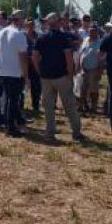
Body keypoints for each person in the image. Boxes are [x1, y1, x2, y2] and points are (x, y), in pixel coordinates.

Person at [33, 12, 83, 141]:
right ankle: (76, 132)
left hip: (46, 77)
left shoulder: (41, 38)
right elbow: (68, 58)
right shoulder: (63, 38)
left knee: (48, 106)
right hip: (61, 76)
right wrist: (70, 74)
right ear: (58, 22)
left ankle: (50, 133)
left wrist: (39, 71)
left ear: (48, 23)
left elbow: (35, 57)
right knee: (69, 105)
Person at [0, 10, 29, 136]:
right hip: (15, 71)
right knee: (13, 100)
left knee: (9, 99)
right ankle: (11, 127)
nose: (24, 21)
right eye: (23, 18)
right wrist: (25, 73)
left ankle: (12, 124)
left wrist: (1, 59)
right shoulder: (19, 34)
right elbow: (23, 56)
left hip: (3, 70)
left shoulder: (3, 31)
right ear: (19, 19)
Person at [79, 24, 104, 114]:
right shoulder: (85, 40)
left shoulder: (100, 43)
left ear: (97, 32)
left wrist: (99, 71)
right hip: (84, 69)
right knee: (83, 89)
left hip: (94, 69)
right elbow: (82, 53)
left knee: (94, 89)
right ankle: (82, 106)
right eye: (90, 31)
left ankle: (94, 107)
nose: (91, 33)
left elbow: (102, 58)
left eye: (93, 31)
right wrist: (81, 66)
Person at [24, 18, 42, 113]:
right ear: (26, 26)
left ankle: (36, 105)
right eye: (28, 25)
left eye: (32, 25)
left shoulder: (38, 36)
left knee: (36, 86)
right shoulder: (22, 36)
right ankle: (21, 106)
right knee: (23, 86)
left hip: (35, 65)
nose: (30, 27)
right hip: (25, 64)